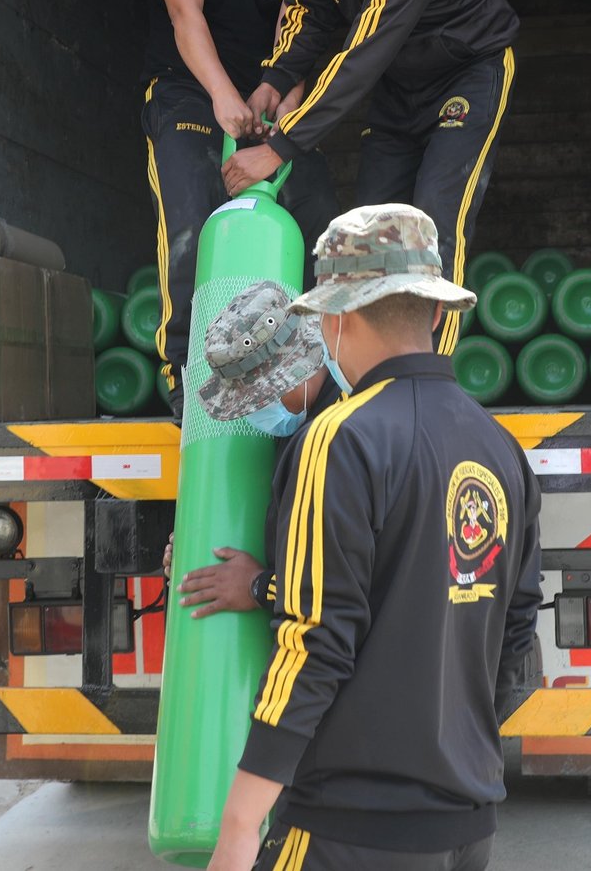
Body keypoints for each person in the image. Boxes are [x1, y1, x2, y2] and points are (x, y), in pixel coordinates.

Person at [207, 204, 543, 871]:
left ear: (335, 316)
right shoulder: (501, 447)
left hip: (350, 828)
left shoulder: (340, 439)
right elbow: (518, 632)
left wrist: (240, 830)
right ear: (439, 314)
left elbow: (315, 641)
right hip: (466, 825)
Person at [220, 0, 521, 357]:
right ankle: (368, 373)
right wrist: (276, 77)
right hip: (395, 85)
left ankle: (432, 376)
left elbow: (360, 55)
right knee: (369, 227)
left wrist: (278, 147)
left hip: (465, 76)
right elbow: (308, 13)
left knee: (435, 221)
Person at [144, 0, 338, 415]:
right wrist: (225, 98)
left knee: (322, 222)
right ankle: (184, 367)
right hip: (190, 89)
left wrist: (282, 108)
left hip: (275, 91)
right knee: (192, 226)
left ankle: (320, 374)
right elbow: (185, 15)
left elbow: (302, 23)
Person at [166, 280, 335, 617]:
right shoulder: (299, 427)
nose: (253, 412)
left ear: (293, 374)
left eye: (256, 399)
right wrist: (195, 542)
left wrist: (259, 585)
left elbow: (346, 584)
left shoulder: (340, 438)